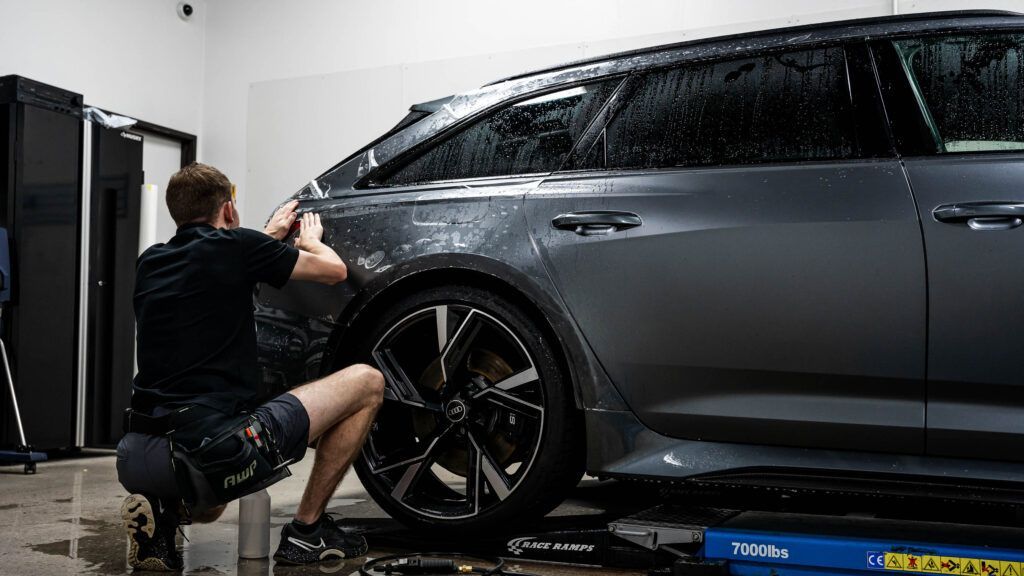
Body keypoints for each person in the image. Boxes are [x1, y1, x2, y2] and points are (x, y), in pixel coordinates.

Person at [115, 162, 384, 570]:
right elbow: (334, 271)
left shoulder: (151, 261)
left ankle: (162, 530)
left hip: (138, 452)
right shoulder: (238, 247)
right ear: (228, 210)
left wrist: (270, 238)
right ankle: (306, 533)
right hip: (210, 447)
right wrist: (309, 240)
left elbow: (217, 263)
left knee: (211, 506)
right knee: (367, 382)